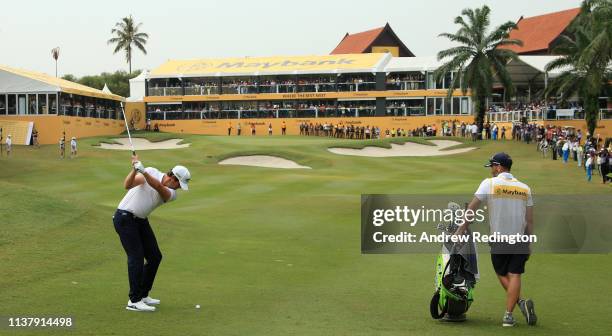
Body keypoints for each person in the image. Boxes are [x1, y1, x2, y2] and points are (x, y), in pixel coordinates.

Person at [456, 153, 537, 327]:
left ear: (499, 167)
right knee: (515, 274)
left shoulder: (489, 183)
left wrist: (461, 229)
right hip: (521, 238)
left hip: (499, 238)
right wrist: (529, 242)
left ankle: (520, 302)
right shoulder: (525, 188)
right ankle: (509, 315)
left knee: (501, 273)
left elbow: (472, 208)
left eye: (492, 166)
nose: (492, 170)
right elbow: (529, 219)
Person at [113, 155, 191, 312]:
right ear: (173, 178)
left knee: (155, 256)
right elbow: (127, 185)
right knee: (136, 257)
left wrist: (144, 172)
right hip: (124, 218)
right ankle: (134, 301)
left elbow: (158, 188)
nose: (179, 188)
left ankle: (143, 295)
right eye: (179, 184)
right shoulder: (151, 171)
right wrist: (134, 169)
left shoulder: (170, 193)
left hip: (140, 220)